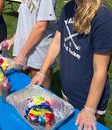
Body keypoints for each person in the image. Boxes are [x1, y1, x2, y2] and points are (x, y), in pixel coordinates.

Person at [31, 0, 112, 129]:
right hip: (67, 92)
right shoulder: (68, 8)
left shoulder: (103, 17)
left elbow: (100, 70)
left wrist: (89, 109)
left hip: (89, 100)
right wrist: (42, 72)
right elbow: (56, 43)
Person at [0, 0, 57, 89]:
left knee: (40, 96)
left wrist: (22, 55)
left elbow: (41, 26)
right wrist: (13, 39)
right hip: (25, 51)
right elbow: (25, 22)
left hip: (38, 54)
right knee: (21, 90)